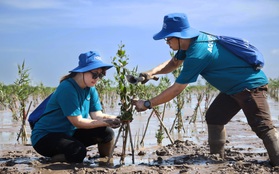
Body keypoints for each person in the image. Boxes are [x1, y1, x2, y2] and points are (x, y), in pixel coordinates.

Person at [132, 13, 279, 166]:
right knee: (215, 117)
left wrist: (148, 104)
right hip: (232, 89)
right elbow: (174, 63)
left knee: (262, 126)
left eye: (168, 38)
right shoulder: (194, 40)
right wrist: (151, 72)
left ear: (179, 36)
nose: (167, 42)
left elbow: (176, 89)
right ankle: (217, 159)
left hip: (249, 86)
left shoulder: (197, 54)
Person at [31, 51, 121, 163]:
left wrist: (116, 118)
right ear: (82, 71)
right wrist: (107, 122)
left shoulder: (91, 89)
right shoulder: (67, 88)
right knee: (78, 151)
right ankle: (50, 161)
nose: (97, 78)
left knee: (107, 133)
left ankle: (105, 161)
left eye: (101, 75)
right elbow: (77, 122)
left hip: (69, 133)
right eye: (94, 74)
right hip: (45, 137)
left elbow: (97, 116)